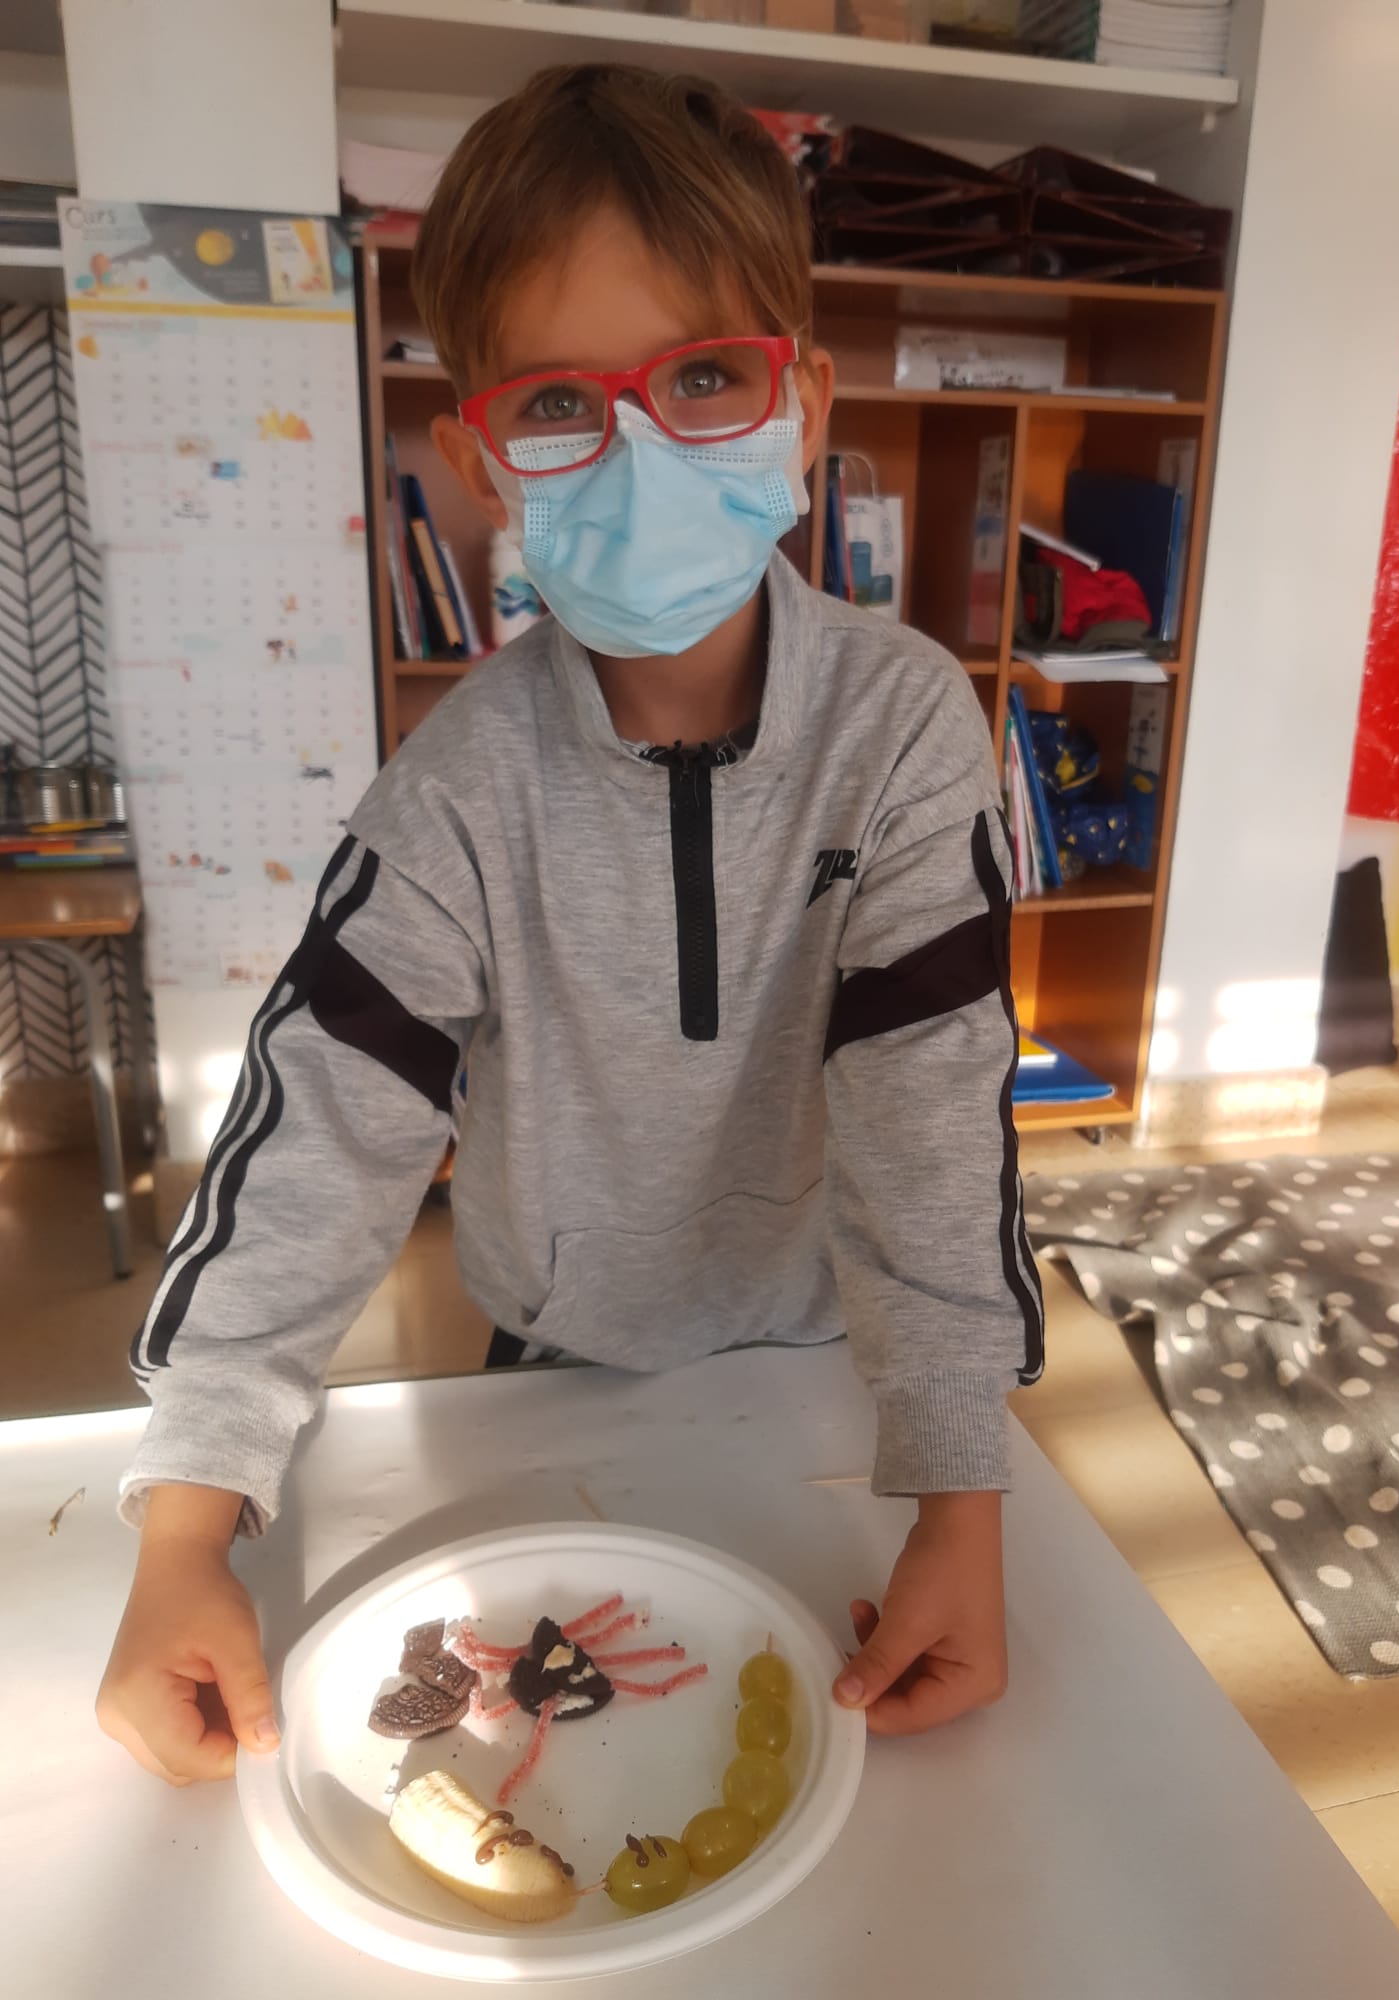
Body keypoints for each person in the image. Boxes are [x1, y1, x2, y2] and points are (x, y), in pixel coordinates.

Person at [96, 63, 1044, 1787]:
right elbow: (315, 1137)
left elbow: (932, 1119)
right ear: (480, 462)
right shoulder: (458, 792)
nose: (643, 448)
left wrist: (960, 1498)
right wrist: (186, 1524)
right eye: (557, 404)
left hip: (821, 1357)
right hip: (554, 1356)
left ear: (803, 402)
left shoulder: (904, 726)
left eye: (703, 377)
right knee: (594, 1755)